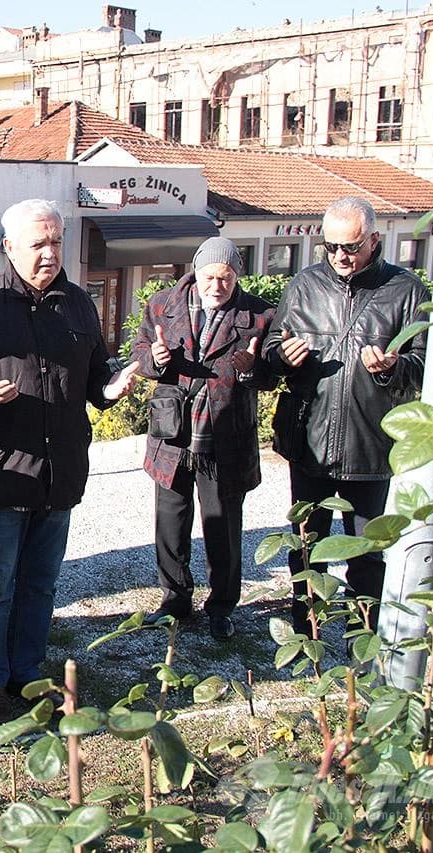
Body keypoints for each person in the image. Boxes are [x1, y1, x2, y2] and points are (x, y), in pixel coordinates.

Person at [0, 199, 139, 726]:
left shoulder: (78, 304)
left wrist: (111, 388)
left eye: (55, 241)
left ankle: (28, 674)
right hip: (3, 472)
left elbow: (95, 375)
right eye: (37, 244)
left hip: (62, 471)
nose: (50, 253)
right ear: (8, 248)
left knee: (42, 584)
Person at [261, 196, 428, 634]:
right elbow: (270, 351)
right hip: (309, 441)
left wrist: (395, 368)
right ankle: (306, 635)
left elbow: (428, 368)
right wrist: (283, 356)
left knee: (367, 552)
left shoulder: (406, 290)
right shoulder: (304, 284)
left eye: (350, 247)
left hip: (370, 446)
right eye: (330, 247)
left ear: (374, 240)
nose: (339, 256)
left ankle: (364, 640)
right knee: (306, 545)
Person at [130, 237, 275, 640]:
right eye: (210, 276)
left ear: (237, 277)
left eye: (227, 278)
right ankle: (174, 600)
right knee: (171, 524)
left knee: (223, 528)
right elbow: (139, 350)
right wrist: (152, 360)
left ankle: (221, 606)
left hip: (224, 438)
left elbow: (270, 374)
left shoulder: (260, 315)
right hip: (173, 435)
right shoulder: (162, 304)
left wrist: (250, 369)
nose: (217, 286)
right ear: (196, 272)